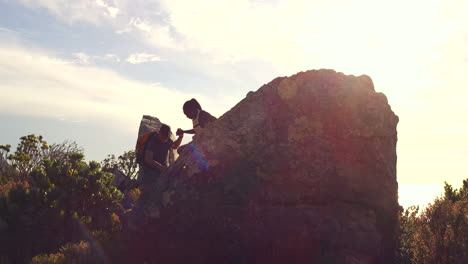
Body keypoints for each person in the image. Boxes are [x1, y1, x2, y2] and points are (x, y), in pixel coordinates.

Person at [140, 124, 183, 189]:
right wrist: (161, 167)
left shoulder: (168, 140)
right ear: (159, 133)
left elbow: (175, 146)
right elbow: (148, 159)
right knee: (149, 190)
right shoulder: (152, 142)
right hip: (149, 170)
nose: (164, 140)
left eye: (166, 138)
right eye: (163, 137)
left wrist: (180, 137)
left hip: (162, 168)